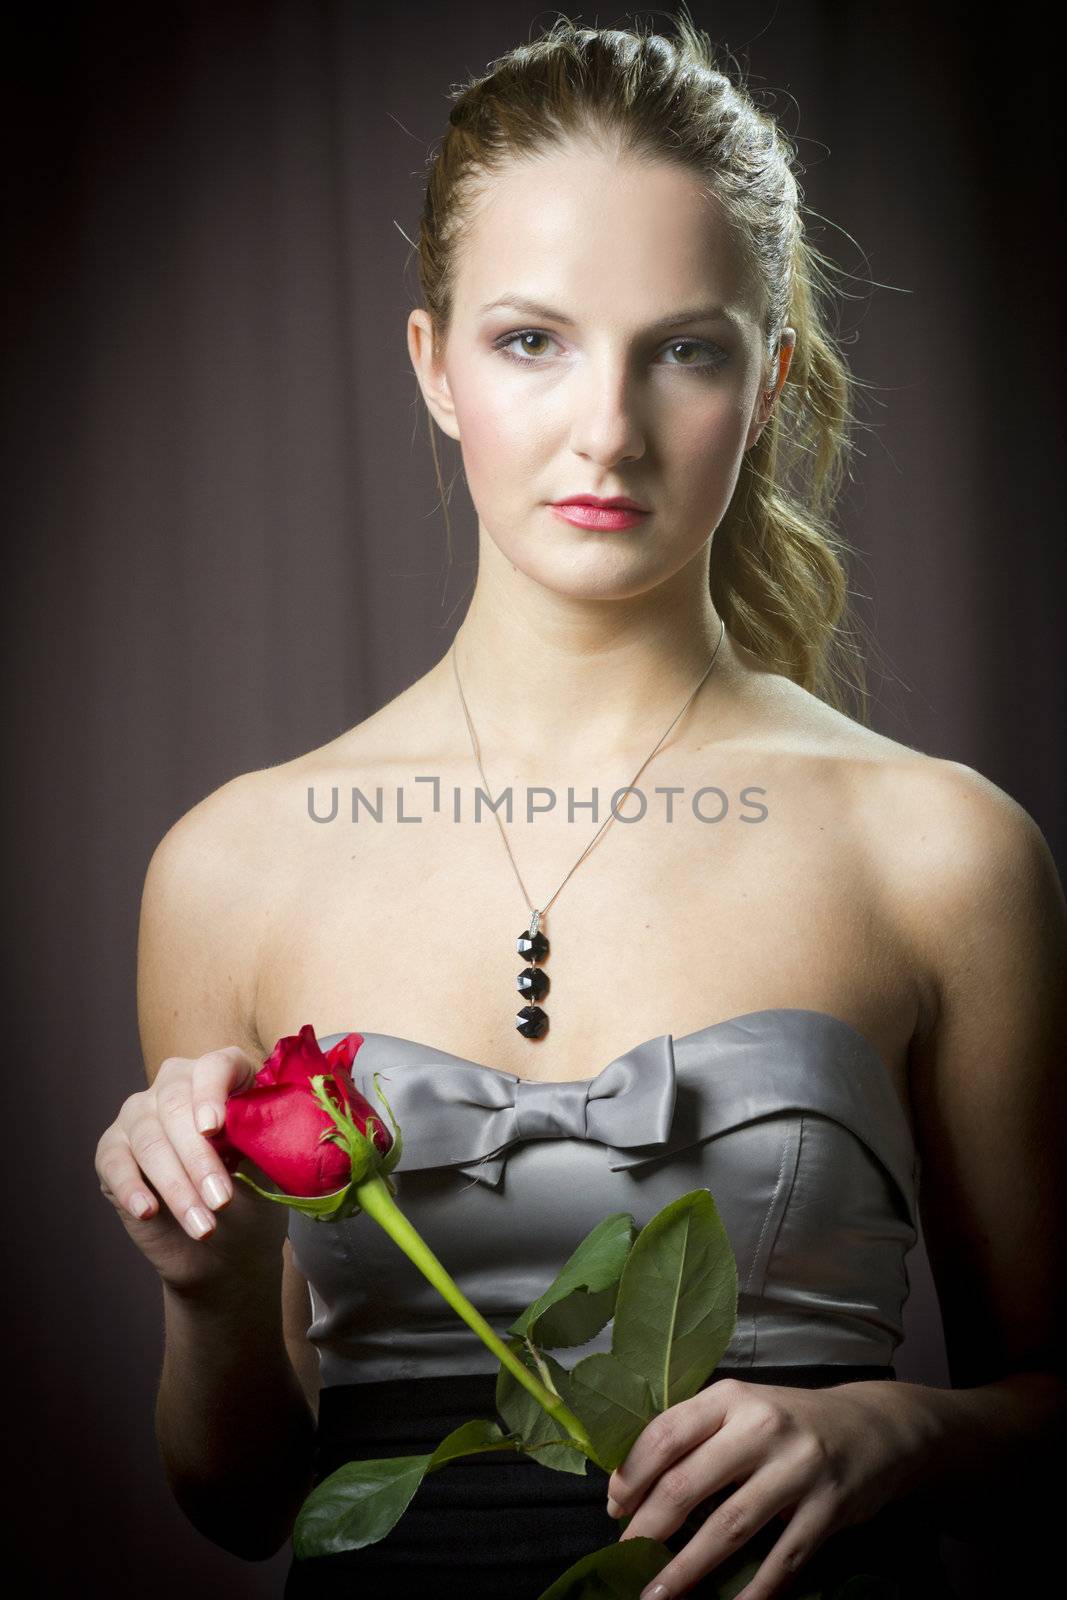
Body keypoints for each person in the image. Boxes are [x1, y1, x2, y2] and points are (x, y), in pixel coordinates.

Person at [94, 13, 1066, 1599]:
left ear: (768, 385)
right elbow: (244, 1500)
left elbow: (1050, 1417)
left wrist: (906, 1432)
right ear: (432, 365)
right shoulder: (231, 866)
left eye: (683, 347)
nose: (605, 430)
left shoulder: (942, 850)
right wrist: (211, 1296)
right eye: (530, 341)